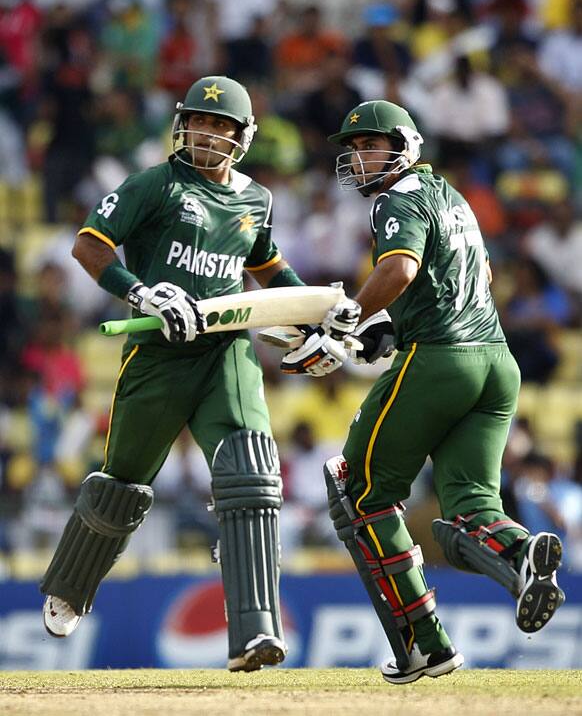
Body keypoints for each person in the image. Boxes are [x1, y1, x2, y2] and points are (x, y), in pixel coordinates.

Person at [39, 75, 360, 672]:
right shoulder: (154, 184)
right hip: (160, 354)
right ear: (182, 124)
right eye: (201, 122)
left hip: (224, 350)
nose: (209, 134)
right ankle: (72, 583)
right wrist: (142, 294)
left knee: (253, 473)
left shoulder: (255, 199)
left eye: (222, 126)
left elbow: (268, 268)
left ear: (242, 137)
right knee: (123, 486)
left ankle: (255, 631)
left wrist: (317, 308)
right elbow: (89, 245)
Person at [297, 99, 565, 685]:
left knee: (357, 489)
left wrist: (343, 322)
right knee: (470, 504)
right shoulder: (453, 196)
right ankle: (521, 556)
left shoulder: (400, 198)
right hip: (496, 362)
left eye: (371, 145)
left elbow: (400, 269)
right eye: (354, 148)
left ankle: (425, 645)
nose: (359, 158)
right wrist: (393, 330)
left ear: (405, 146)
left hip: (442, 362)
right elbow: (480, 278)